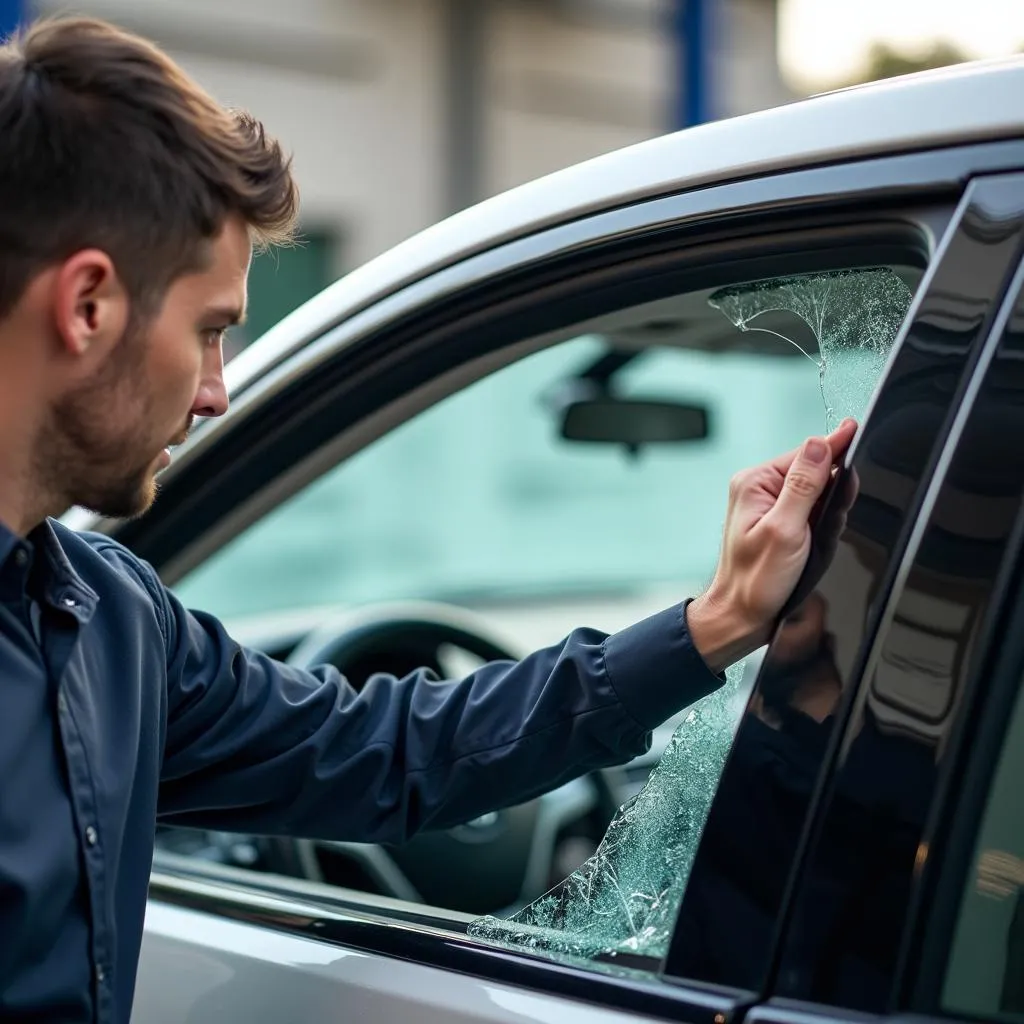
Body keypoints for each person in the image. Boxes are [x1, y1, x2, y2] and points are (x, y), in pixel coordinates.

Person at [0, 15, 858, 1024]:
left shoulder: (108, 618)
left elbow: (384, 751)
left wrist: (711, 625)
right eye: (212, 331)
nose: (216, 394)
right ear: (90, 304)